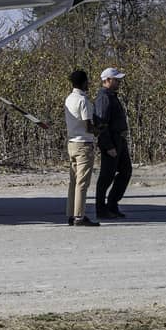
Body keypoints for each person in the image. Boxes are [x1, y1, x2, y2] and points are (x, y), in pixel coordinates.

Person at [93, 67, 131, 219]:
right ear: (107, 80)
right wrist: (108, 146)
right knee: (106, 176)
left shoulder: (112, 96)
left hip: (119, 139)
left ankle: (112, 204)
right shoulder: (104, 97)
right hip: (111, 141)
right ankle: (101, 209)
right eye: (116, 80)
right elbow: (101, 124)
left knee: (126, 171)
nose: (119, 82)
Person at [64, 70, 98, 227]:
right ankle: (79, 216)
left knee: (73, 181)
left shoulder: (69, 98)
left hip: (72, 143)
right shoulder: (83, 100)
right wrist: (100, 130)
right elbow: (88, 125)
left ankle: (71, 214)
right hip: (84, 144)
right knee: (82, 182)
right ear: (84, 82)